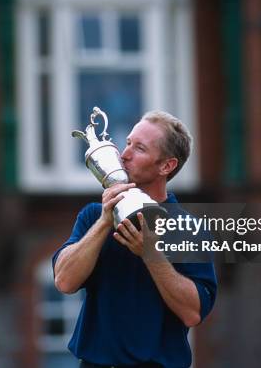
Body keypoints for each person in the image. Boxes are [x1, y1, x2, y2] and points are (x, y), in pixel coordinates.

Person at [52, 111, 217, 368]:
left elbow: (192, 313)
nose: (124, 154)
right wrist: (106, 221)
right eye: (127, 143)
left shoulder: (188, 229)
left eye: (139, 148)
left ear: (166, 166)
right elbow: (64, 281)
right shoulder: (94, 216)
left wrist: (151, 254)